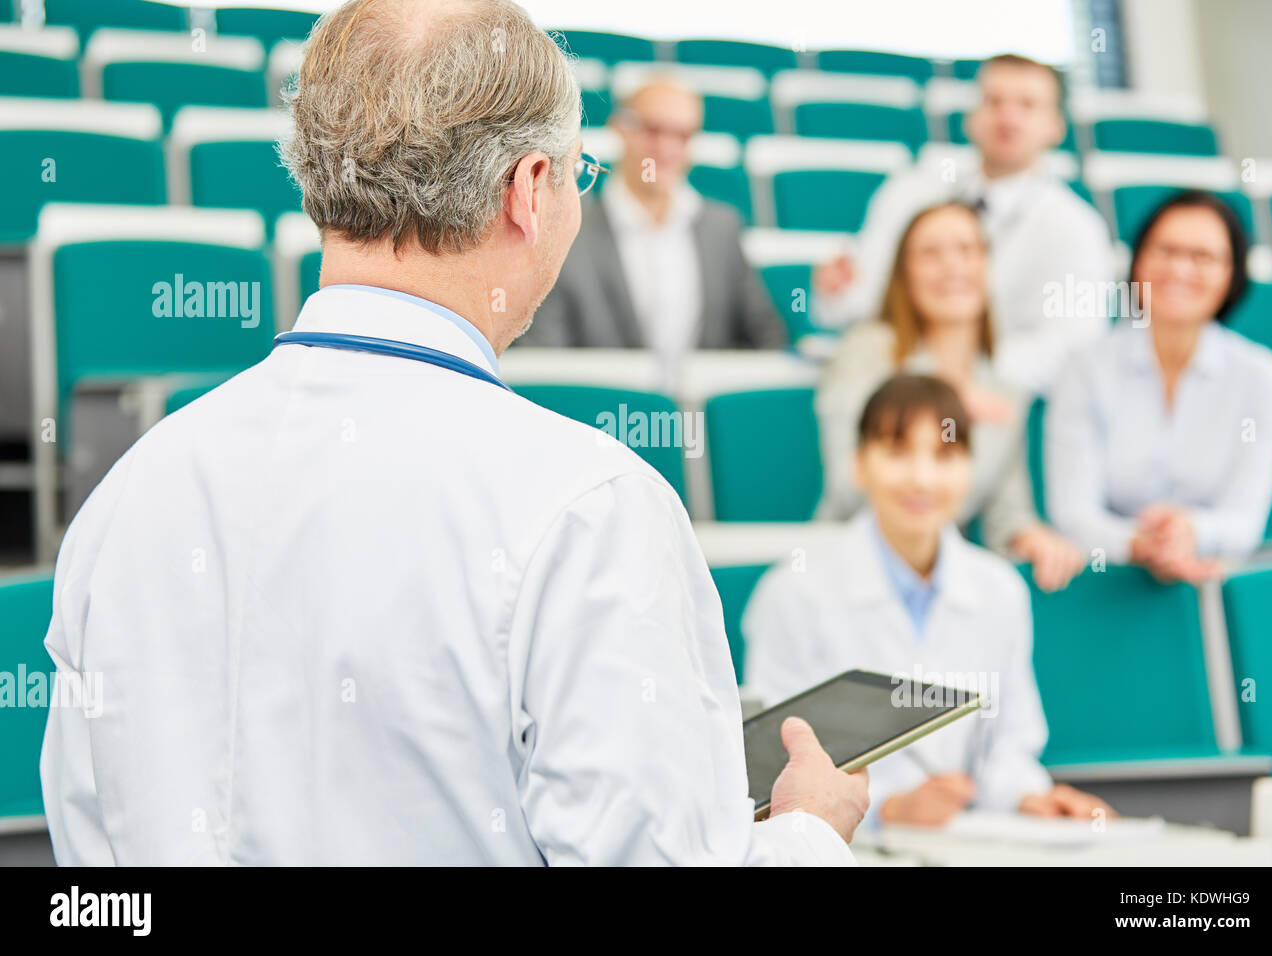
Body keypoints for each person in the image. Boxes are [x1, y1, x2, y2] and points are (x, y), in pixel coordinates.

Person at [39, 0, 868, 866]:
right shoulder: (591, 509)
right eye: (579, 176)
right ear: (527, 190)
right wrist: (808, 828)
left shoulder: (130, 492)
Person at [744, 375, 1111, 827]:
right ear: (858, 465)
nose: (922, 478)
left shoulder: (1000, 590)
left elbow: (1008, 745)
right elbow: (772, 769)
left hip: (962, 840)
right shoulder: (794, 592)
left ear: (970, 469)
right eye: (897, 453)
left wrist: (1029, 796)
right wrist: (889, 809)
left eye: (945, 456)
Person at [817, 201, 1083, 591]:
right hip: (851, 568)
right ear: (903, 273)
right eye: (930, 253)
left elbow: (1006, 513)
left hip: (938, 580)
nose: (952, 267)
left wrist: (1031, 537)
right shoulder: (867, 350)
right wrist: (945, 401)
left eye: (967, 250)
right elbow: (846, 488)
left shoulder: (1004, 386)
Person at [813, 54, 1113, 393]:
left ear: (1056, 126)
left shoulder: (1078, 228)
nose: (1008, 116)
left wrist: (960, 375)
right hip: (893, 388)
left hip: (998, 401)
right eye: (993, 101)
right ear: (971, 117)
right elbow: (863, 303)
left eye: (1027, 105)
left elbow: (1072, 345)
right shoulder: (907, 191)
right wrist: (836, 293)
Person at [1047, 190, 1272, 583]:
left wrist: (1193, 532)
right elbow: (1073, 513)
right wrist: (1141, 542)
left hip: (1211, 580)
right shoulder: (1085, 367)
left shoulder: (1262, 378)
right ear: (1138, 260)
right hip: (1103, 581)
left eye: (1203, 257)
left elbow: (1245, 521)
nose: (1180, 270)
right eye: (1165, 251)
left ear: (1232, 274)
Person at [519, 75, 786, 381]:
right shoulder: (569, 230)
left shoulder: (722, 228)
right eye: (653, 130)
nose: (667, 147)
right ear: (621, 128)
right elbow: (543, 360)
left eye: (682, 135)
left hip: (700, 424)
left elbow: (768, 337)